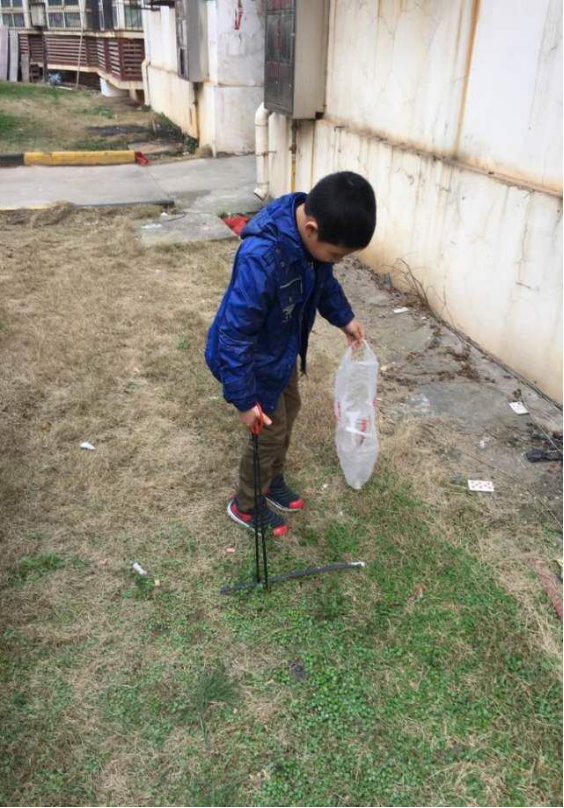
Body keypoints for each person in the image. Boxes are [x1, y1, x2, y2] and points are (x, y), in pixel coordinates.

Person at [205, 171, 377, 537]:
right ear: (312, 229)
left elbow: (324, 284)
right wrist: (244, 400)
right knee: (270, 431)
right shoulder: (261, 257)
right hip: (251, 361)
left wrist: (345, 319)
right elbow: (235, 335)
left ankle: (271, 479)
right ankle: (247, 503)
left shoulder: (312, 244)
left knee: (290, 410)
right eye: (336, 254)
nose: (337, 261)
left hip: (280, 352)